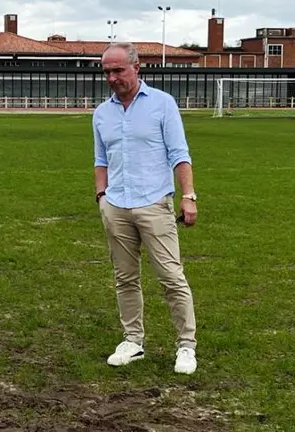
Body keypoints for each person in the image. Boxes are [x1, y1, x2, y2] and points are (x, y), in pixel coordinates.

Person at [92, 42, 198, 375]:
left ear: (137, 67)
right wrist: (101, 197)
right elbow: (100, 160)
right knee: (125, 278)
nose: (112, 77)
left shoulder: (163, 105)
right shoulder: (101, 113)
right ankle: (133, 340)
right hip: (116, 206)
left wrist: (188, 196)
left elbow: (179, 153)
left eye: (118, 70)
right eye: (107, 71)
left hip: (154, 203)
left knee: (171, 277)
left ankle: (186, 346)